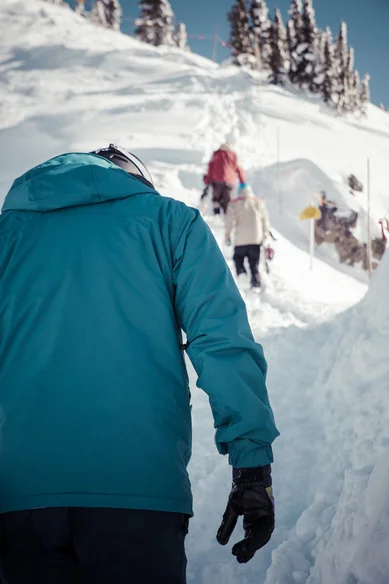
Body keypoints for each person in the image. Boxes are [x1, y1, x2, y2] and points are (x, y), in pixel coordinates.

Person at [0, 145, 279, 584]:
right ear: (136, 183)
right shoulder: (170, 222)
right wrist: (252, 463)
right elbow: (221, 340)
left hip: (17, 496)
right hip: (139, 493)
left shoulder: (8, 233)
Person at [225, 183, 270, 289]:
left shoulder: (234, 204)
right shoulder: (258, 202)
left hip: (240, 239)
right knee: (254, 263)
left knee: (238, 258)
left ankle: (241, 274)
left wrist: (227, 235)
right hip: (256, 239)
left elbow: (229, 221)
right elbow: (265, 221)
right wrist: (265, 236)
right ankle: (256, 285)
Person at [202, 143, 246, 215]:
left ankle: (217, 215)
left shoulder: (216, 154)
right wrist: (243, 182)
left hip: (216, 181)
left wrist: (207, 180)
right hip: (229, 182)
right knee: (227, 201)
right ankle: (227, 217)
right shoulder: (233, 155)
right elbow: (239, 168)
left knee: (216, 199)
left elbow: (210, 168)